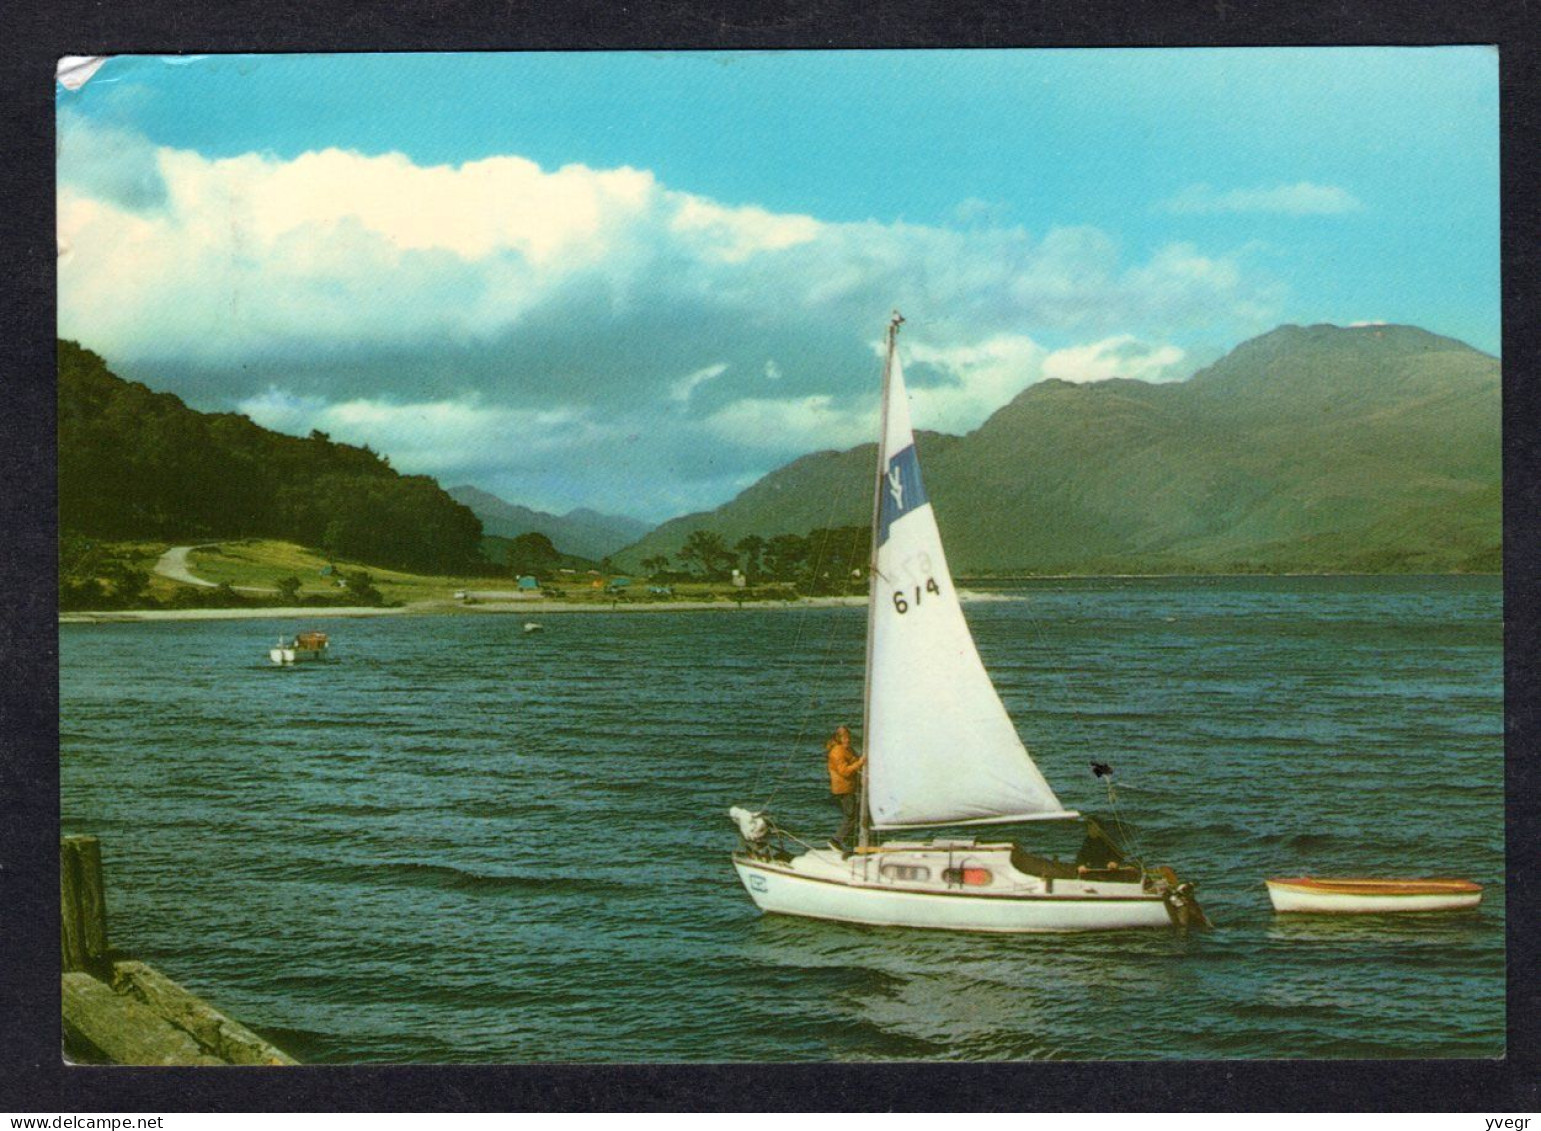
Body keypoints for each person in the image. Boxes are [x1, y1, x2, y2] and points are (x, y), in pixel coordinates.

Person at [826, 724, 866, 852]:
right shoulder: (837, 751)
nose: (848, 739)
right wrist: (859, 763)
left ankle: (849, 840)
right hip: (843, 788)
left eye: (848, 737)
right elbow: (844, 771)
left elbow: (854, 759)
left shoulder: (847, 749)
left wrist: (860, 760)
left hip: (850, 786)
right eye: (844, 737)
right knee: (851, 816)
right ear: (839, 738)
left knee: (855, 812)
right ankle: (836, 841)